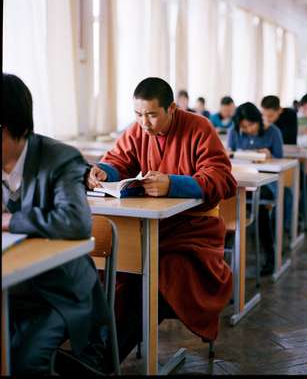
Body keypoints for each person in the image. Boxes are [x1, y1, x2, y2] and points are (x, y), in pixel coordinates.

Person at [86, 77, 237, 354]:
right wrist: (103, 172)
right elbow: (119, 161)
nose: (144, 123)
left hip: (193, 230)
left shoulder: (199, 128)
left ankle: (108, 355)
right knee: (117, 266)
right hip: (148, 226)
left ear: (172, 110)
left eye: (152, 115)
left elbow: (222, 179)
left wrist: (174, 184)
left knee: (160, 269)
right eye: (138, 114)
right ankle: (100, 348)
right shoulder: (138, 130)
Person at [2, 73, 111, 375]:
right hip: (13, 287)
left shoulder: (59, 158)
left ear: (7, 128)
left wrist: (12, 221)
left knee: (24, 358)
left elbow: (77, 222)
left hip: (59, 291)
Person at [227, 102, 284, 275]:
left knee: (260, 209)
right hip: (240, 183)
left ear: (258, 120)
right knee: (224, 204)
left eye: (251, 124)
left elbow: (280, 159)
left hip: (266, 183)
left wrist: (269, 155)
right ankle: (220, 259)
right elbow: (228, 155)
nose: (249, 129)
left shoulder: (273, 132)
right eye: (244, 126)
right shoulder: (234, 132)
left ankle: (270, 256)